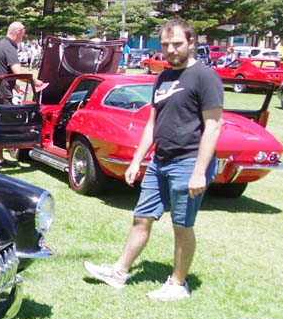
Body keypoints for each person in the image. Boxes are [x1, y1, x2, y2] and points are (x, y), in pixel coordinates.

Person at [84, 19, 223, 301]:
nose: (171, 50)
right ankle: (120, 272)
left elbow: (213, 126)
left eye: (177, 44)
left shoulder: (204, 77)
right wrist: (137, 160)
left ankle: (178, 284)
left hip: (188, 162)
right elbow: (153, 123)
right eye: (165, 44)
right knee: (141, 217)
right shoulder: (164, 77)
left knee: (182, 225)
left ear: (191, 42)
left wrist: (199, 171)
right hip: (159, 162)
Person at [0, 21, 41, 168]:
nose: (23, 37)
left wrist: (15, 87)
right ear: (17, 33)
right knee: (4, 125)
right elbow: (18, 72)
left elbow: (2, 70)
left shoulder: (0, 45)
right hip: (1, 92)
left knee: (0, 122)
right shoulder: (9, 47)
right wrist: (36, 82)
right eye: (23, 34)